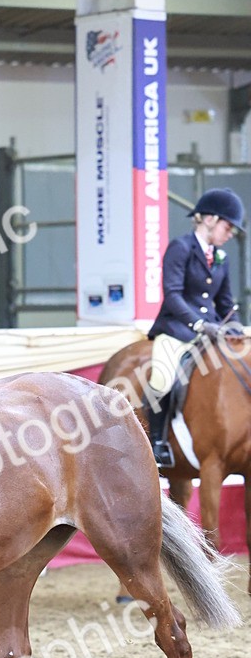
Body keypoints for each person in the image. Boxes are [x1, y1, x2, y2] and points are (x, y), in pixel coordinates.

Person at [146, 188, 244, 467]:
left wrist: (233, 323)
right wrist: (199, 324)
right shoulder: (181, 247)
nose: (230, 234)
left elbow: (225, 302)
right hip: (177, 329)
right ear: (210, 219)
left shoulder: (221, 257)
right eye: (228, 226)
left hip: (212, 332)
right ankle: (157, 442)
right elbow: (173, 293)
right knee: (162, 378)